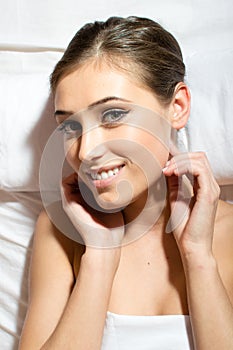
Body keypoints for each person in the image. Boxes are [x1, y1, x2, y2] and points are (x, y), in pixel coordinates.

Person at [19, 16, 233, 350]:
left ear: (177, 106)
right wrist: (99, 261)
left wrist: (198, 258)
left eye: (113, 115)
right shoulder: (61, 231)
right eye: (70, 127)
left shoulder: (229, 232)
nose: (86, 151)